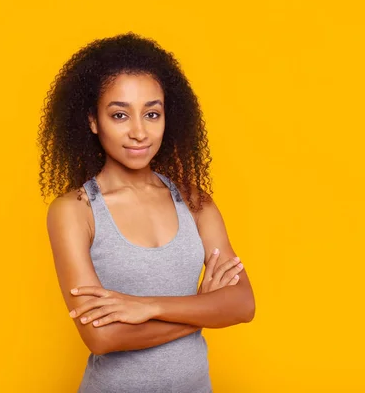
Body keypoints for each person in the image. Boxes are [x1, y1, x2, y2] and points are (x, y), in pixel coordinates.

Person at [39, 32, 255, 393]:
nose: (139, 132)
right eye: (120, 115)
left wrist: (146, 306)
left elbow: (243, 304)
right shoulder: (75, 211)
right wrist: (204, 309)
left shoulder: (196, 203)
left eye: (151, 113)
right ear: (93, 121)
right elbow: (101, 336)